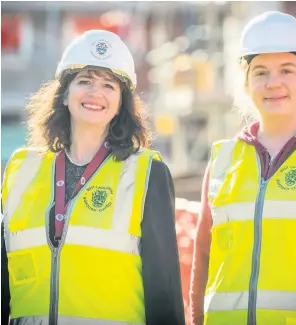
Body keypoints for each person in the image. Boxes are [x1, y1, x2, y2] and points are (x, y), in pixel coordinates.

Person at [1, 30, 185, 325]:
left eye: (109, 85)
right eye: (84, 81)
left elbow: (163, 290)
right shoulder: (21, 169)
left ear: (121, 102)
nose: (95, 93)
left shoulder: (147, 172)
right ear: (64, 94)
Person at [189, 11, 296, 325]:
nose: (273, 83)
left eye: (286, 70)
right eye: (261, 72)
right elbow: (203, 261)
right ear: (245, 80)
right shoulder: (223, 159)